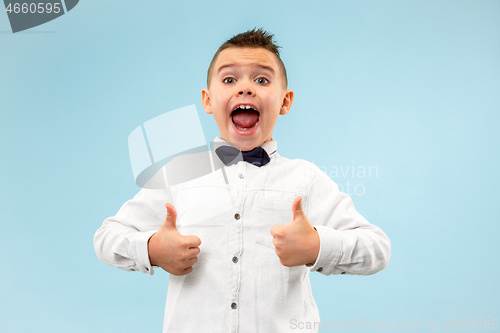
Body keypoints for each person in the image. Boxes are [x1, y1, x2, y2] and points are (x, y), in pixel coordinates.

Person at [94, 28, 391, 333]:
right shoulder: (178, 172)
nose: (245, 88)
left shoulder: (306, 179)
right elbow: (106, 237)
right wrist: (152, 248)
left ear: (285, 101)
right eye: (229, 79)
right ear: (208, 100)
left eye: (262, 80)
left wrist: (318, 245)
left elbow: (377, 248)